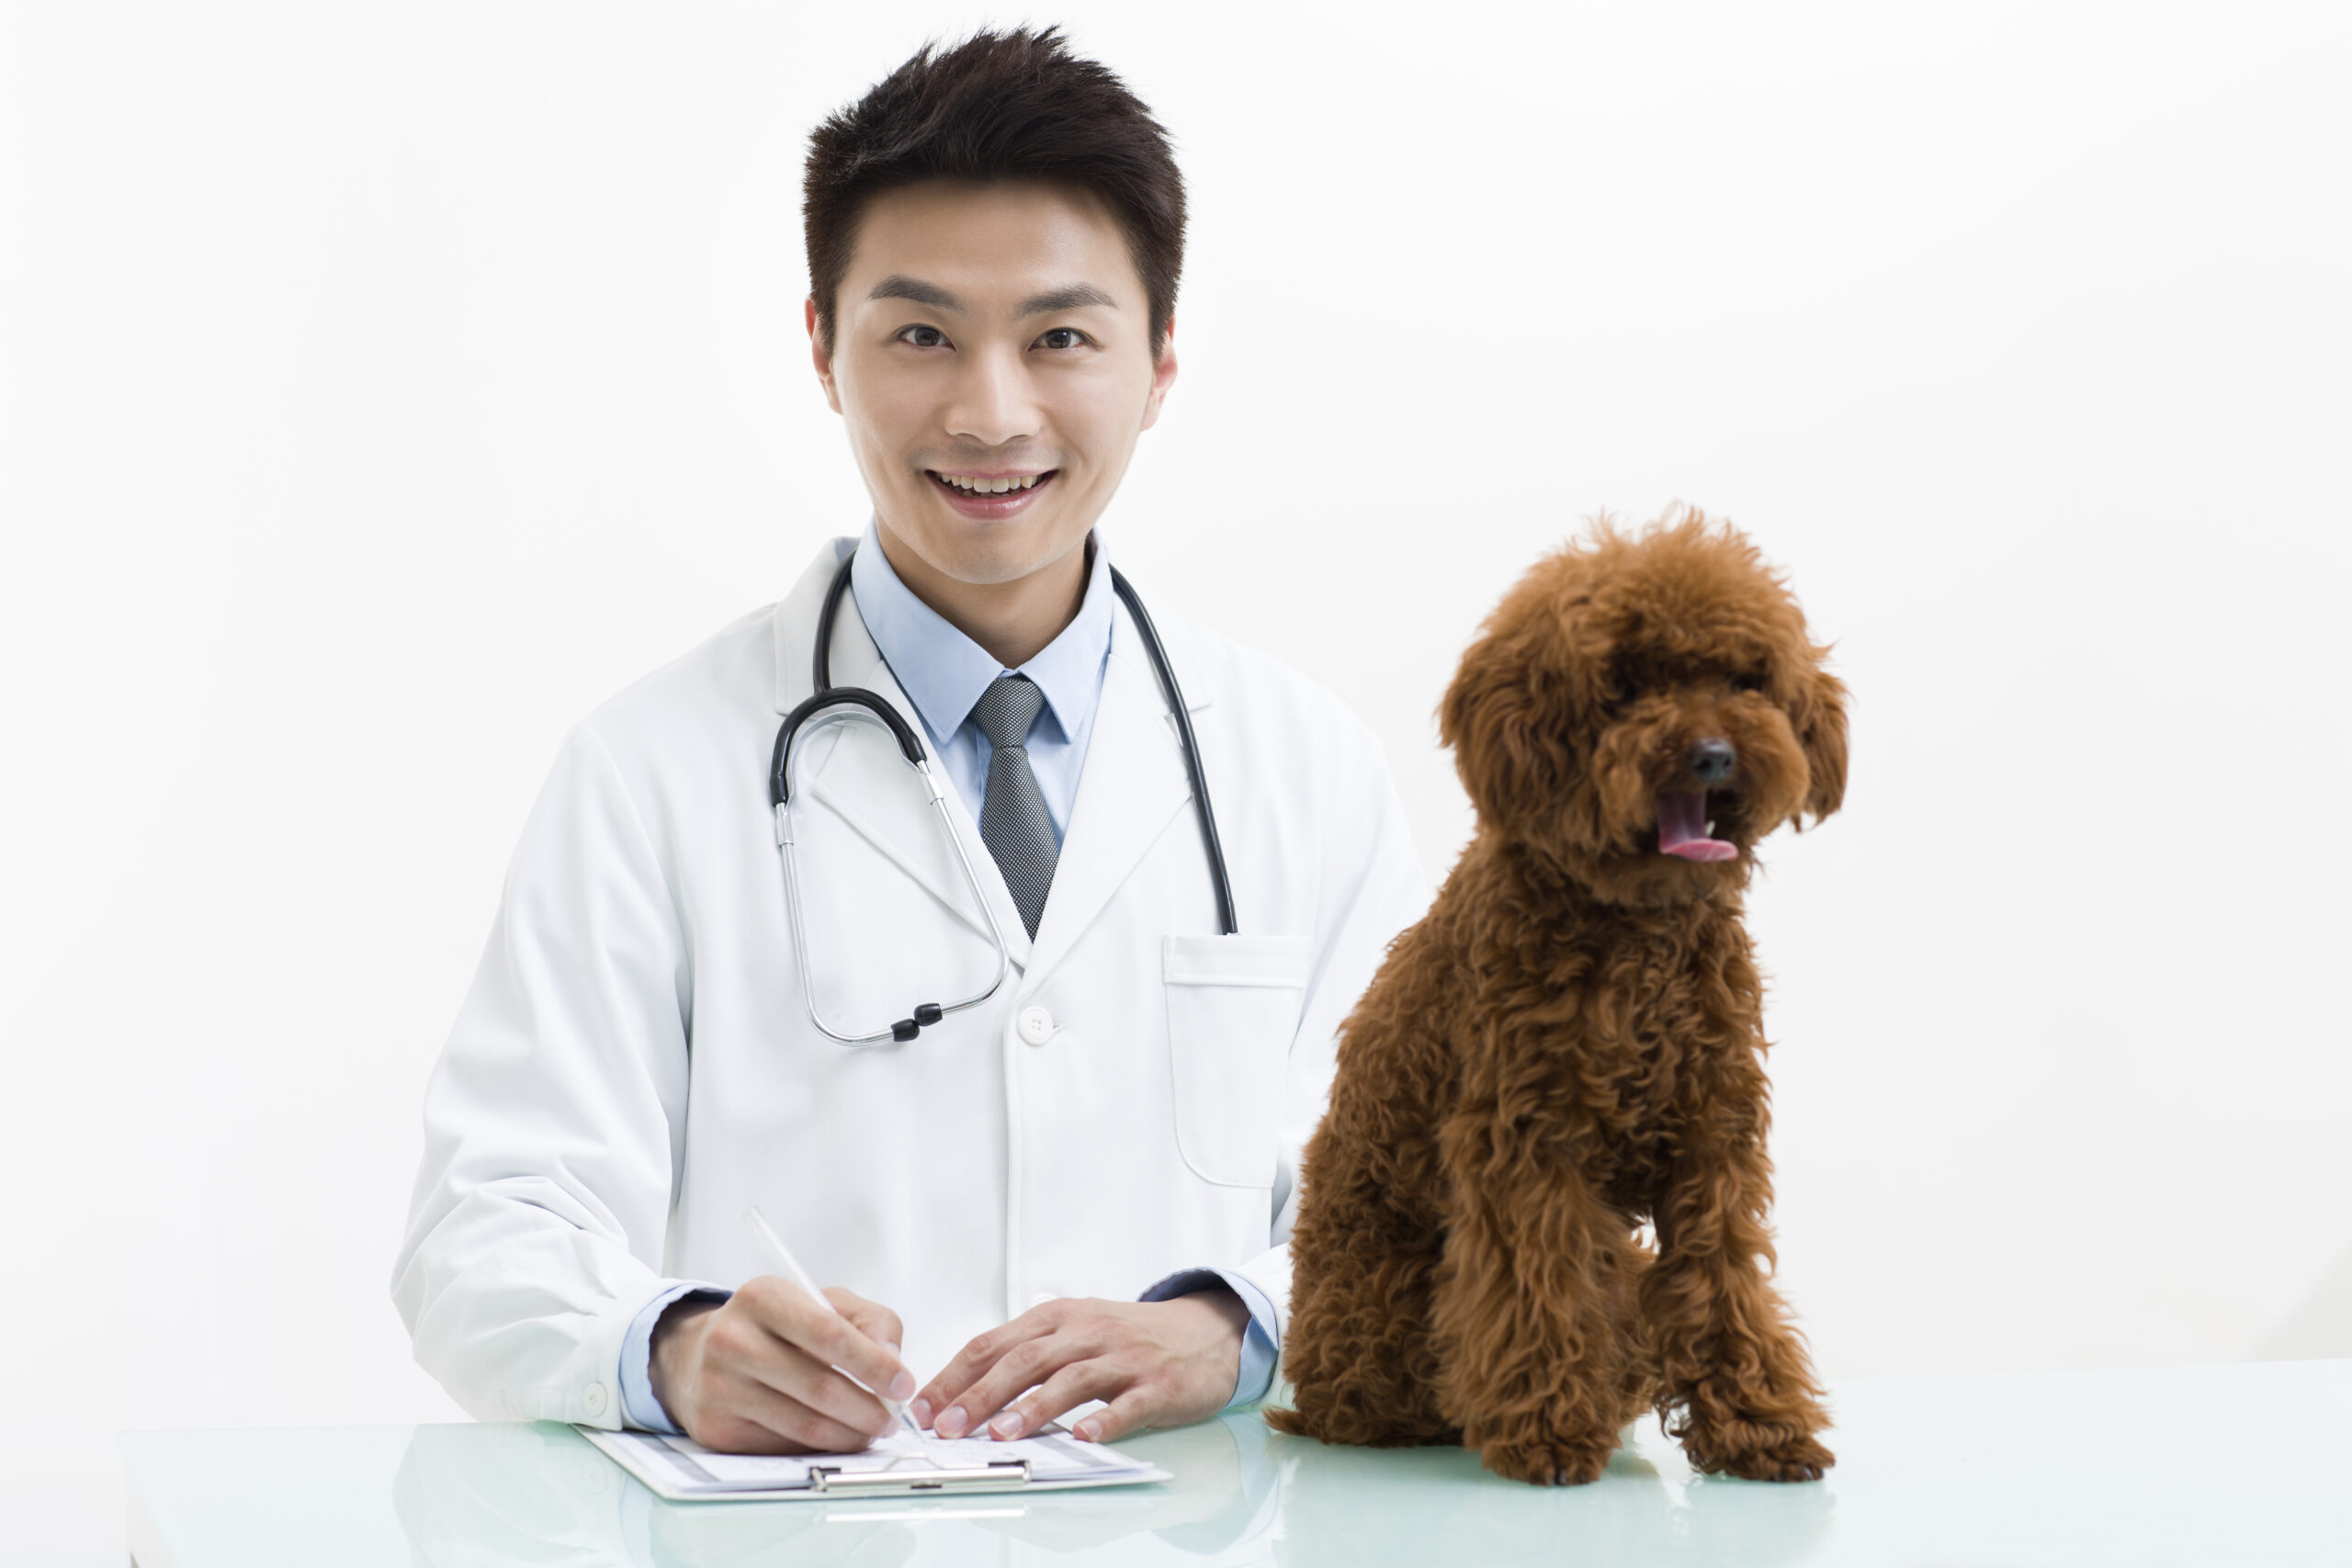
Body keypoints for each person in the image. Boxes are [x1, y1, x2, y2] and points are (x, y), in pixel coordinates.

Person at [392, 27, 1428, 1455]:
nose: (989, 412)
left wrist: (1234, 1327)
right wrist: (671, 1350)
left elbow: (1442, 1201)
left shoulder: (1306, 772)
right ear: (823, 349)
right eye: (921, 333)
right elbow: (482, 1230)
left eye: (1061, 336)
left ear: (1161, 361)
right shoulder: (649, 771)